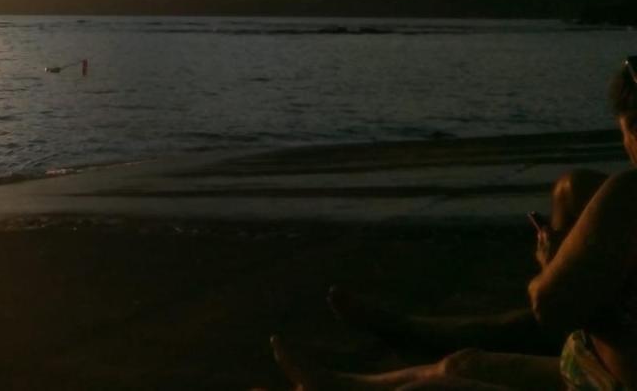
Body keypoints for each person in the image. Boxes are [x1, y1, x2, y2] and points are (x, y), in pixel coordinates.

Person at [269, 56, 637, 390]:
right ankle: (345, 385)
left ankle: (403, 338)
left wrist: (553, 261)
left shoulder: (628, 193)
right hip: (588, 367)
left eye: (625, 131)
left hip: (597, 381)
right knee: (462, 364)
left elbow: (550, 307)